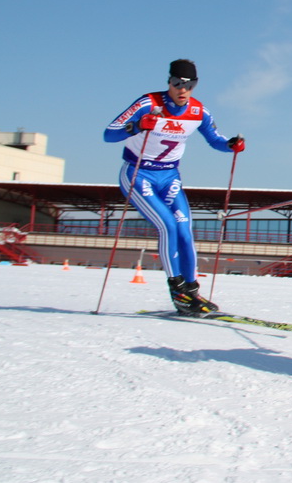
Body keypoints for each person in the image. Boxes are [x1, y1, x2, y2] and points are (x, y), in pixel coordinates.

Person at [104, 59, 245, 315]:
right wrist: (135, 126)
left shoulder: (198, 111)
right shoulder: (149, 103)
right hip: (138, 175)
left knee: (184, 230)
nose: (182, 90)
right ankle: (177, 288)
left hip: (169, 177)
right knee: (166, 225)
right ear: (168, 82)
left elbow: (215, 139)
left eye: (189, 85)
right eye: (177, 83)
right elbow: (109, 133)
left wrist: (231, 145)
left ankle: (192, 290)